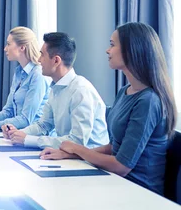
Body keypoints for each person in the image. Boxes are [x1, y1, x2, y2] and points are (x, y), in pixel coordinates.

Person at [40, 23, 177, 195]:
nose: (107, 50)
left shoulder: (148, 101)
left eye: (112, 45)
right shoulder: (124, 92)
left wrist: (78, 149)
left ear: (130, 50)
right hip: (113, 181)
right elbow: (114, 147)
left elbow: (122, 166)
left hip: (138, 192)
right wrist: (70, 154)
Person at [3, 32, 109, 149]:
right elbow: (43, 125)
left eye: (42, 55)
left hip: (89, 162)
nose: (38, 60)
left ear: (56, 61)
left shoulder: (80, 91)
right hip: (69, 156)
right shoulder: (55, 88)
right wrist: (19, 133)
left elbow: (77, 142)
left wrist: (28, 140)